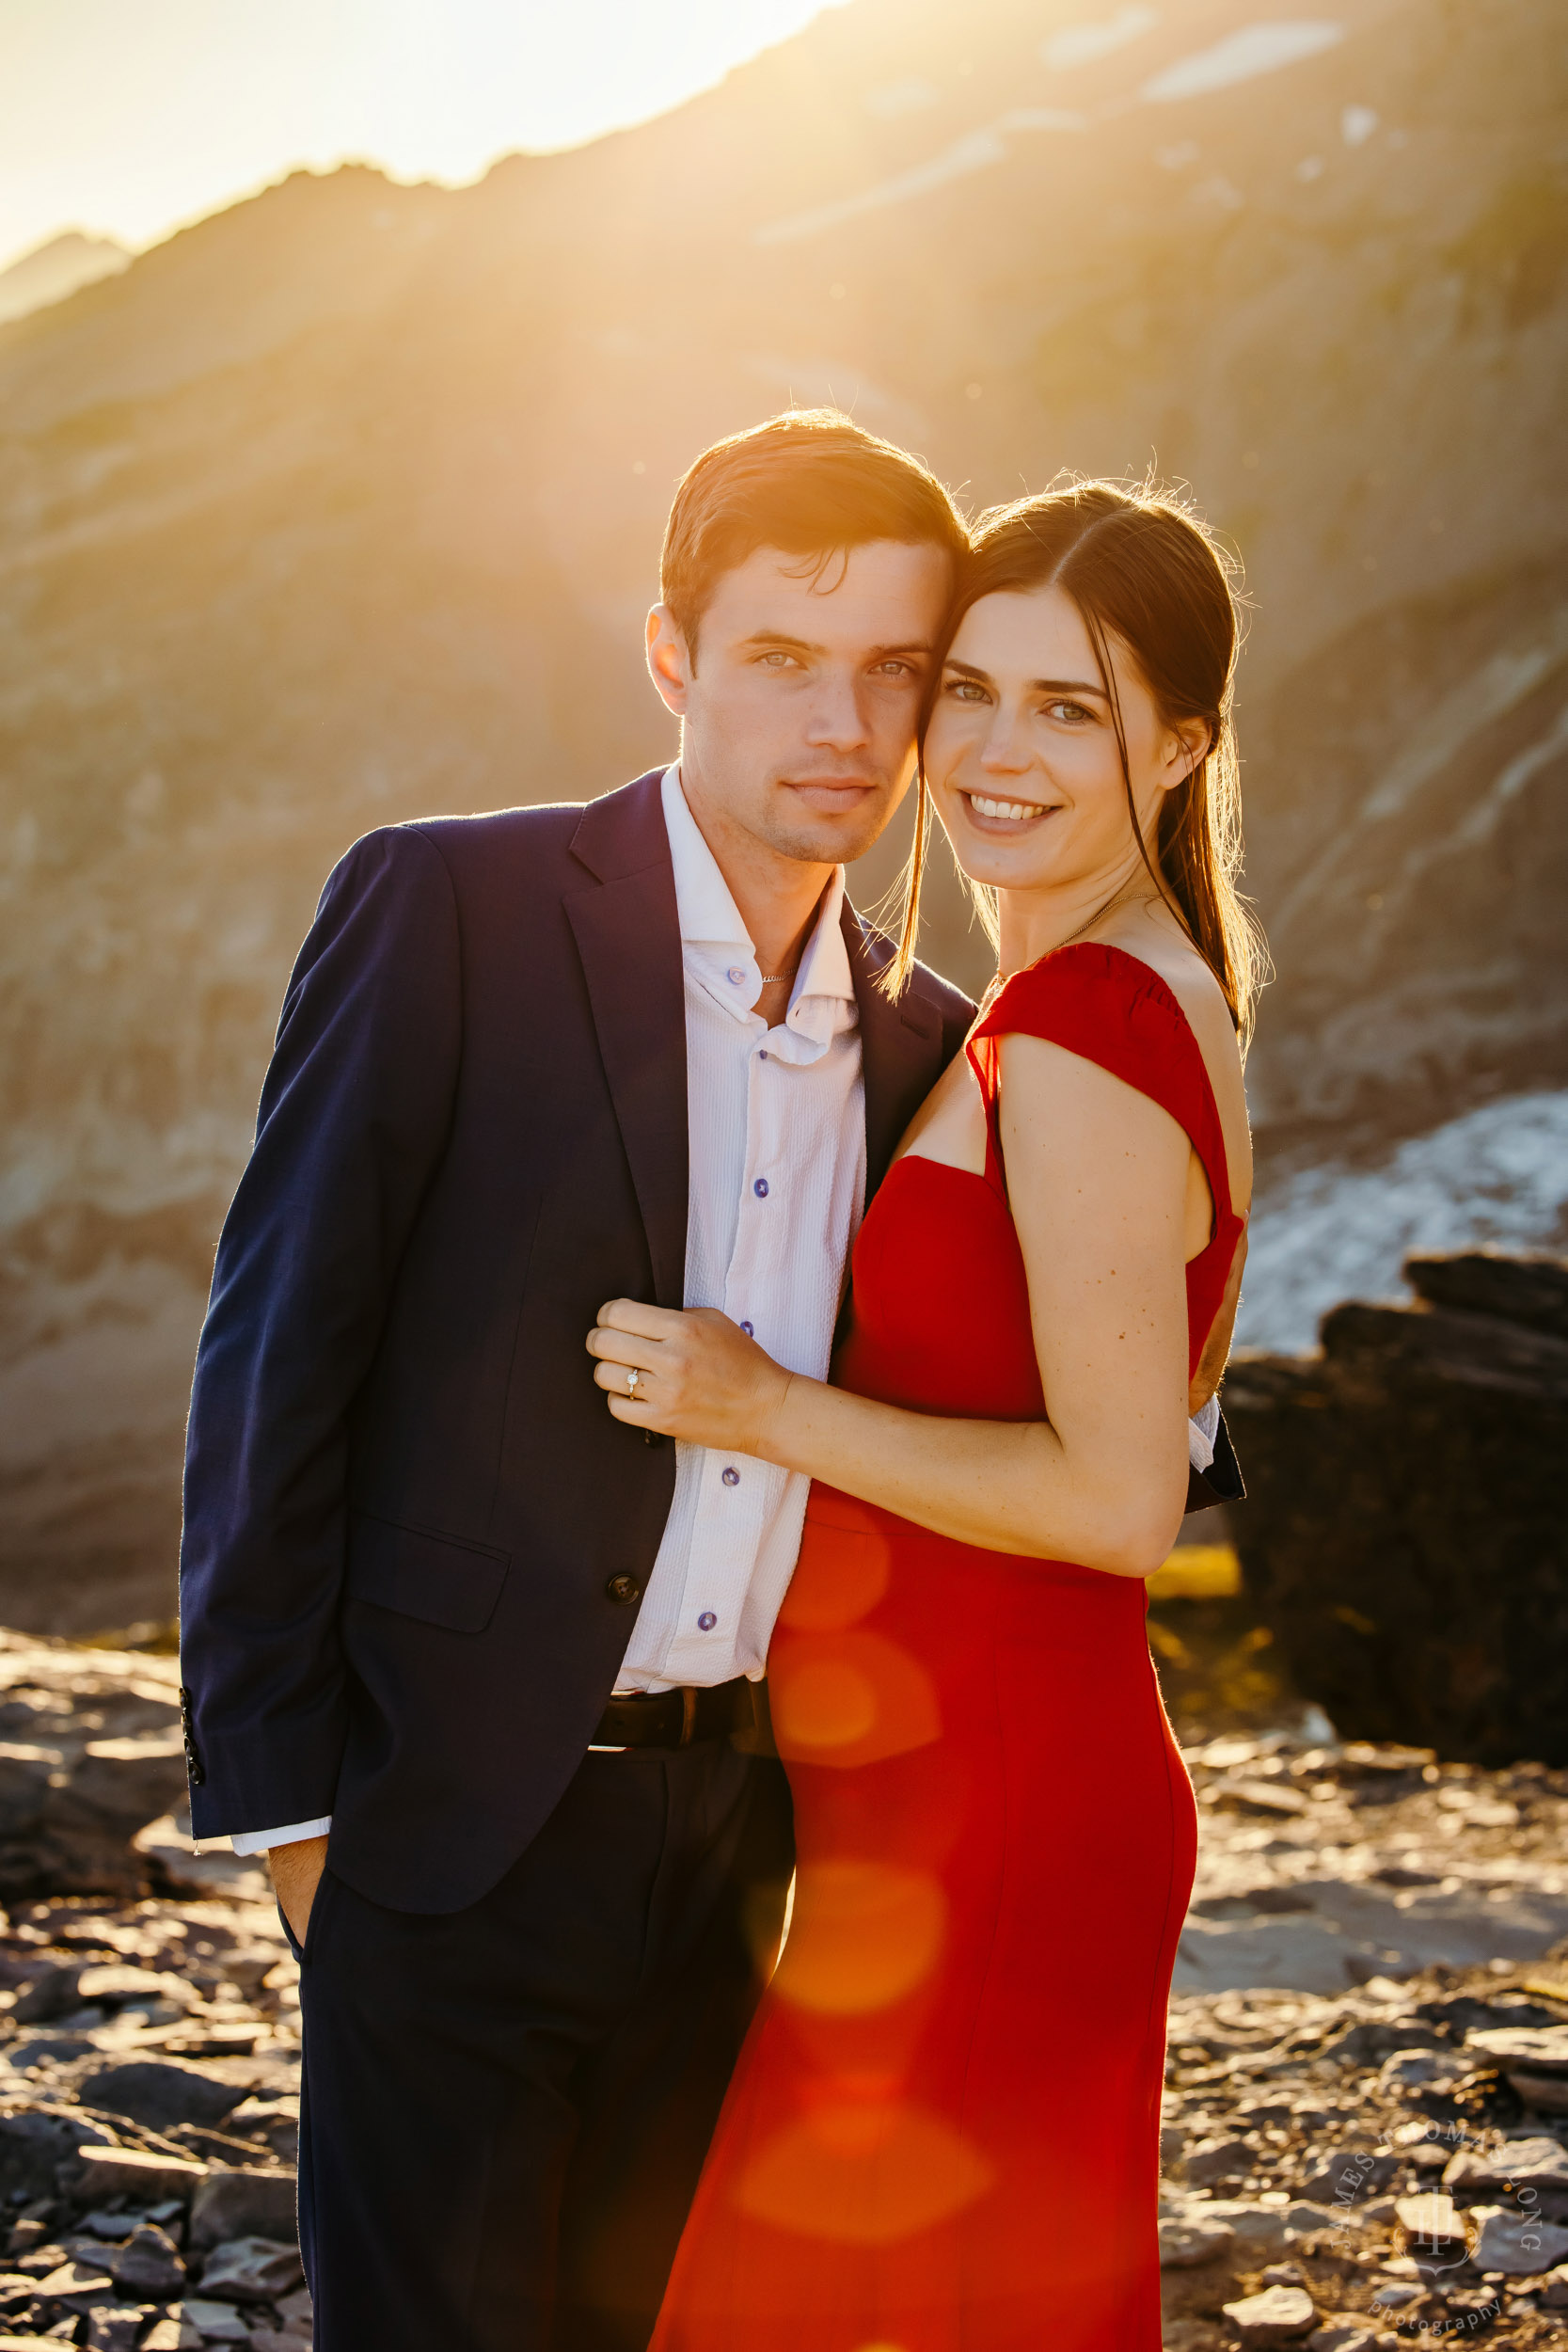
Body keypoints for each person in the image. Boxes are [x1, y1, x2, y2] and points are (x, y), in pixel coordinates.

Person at [176, 408, 977, 2351]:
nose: (844, 723)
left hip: (740, 1856)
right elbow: (280, 1350)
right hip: (448, 1824)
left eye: (895, 670)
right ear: (674, 657)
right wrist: (295, 1821)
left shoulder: (927, 1039)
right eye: (785, 657)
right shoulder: (450, 906)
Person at [586, 478, 1258, 2351]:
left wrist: (759, 1405)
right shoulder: (1059, 996)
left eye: (1075, 705)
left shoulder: (1089, 1030)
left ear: (1185, 744)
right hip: (936, 1809)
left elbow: (1128, 1499)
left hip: (1005, 1817)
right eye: (972, 688)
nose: (994, 749)